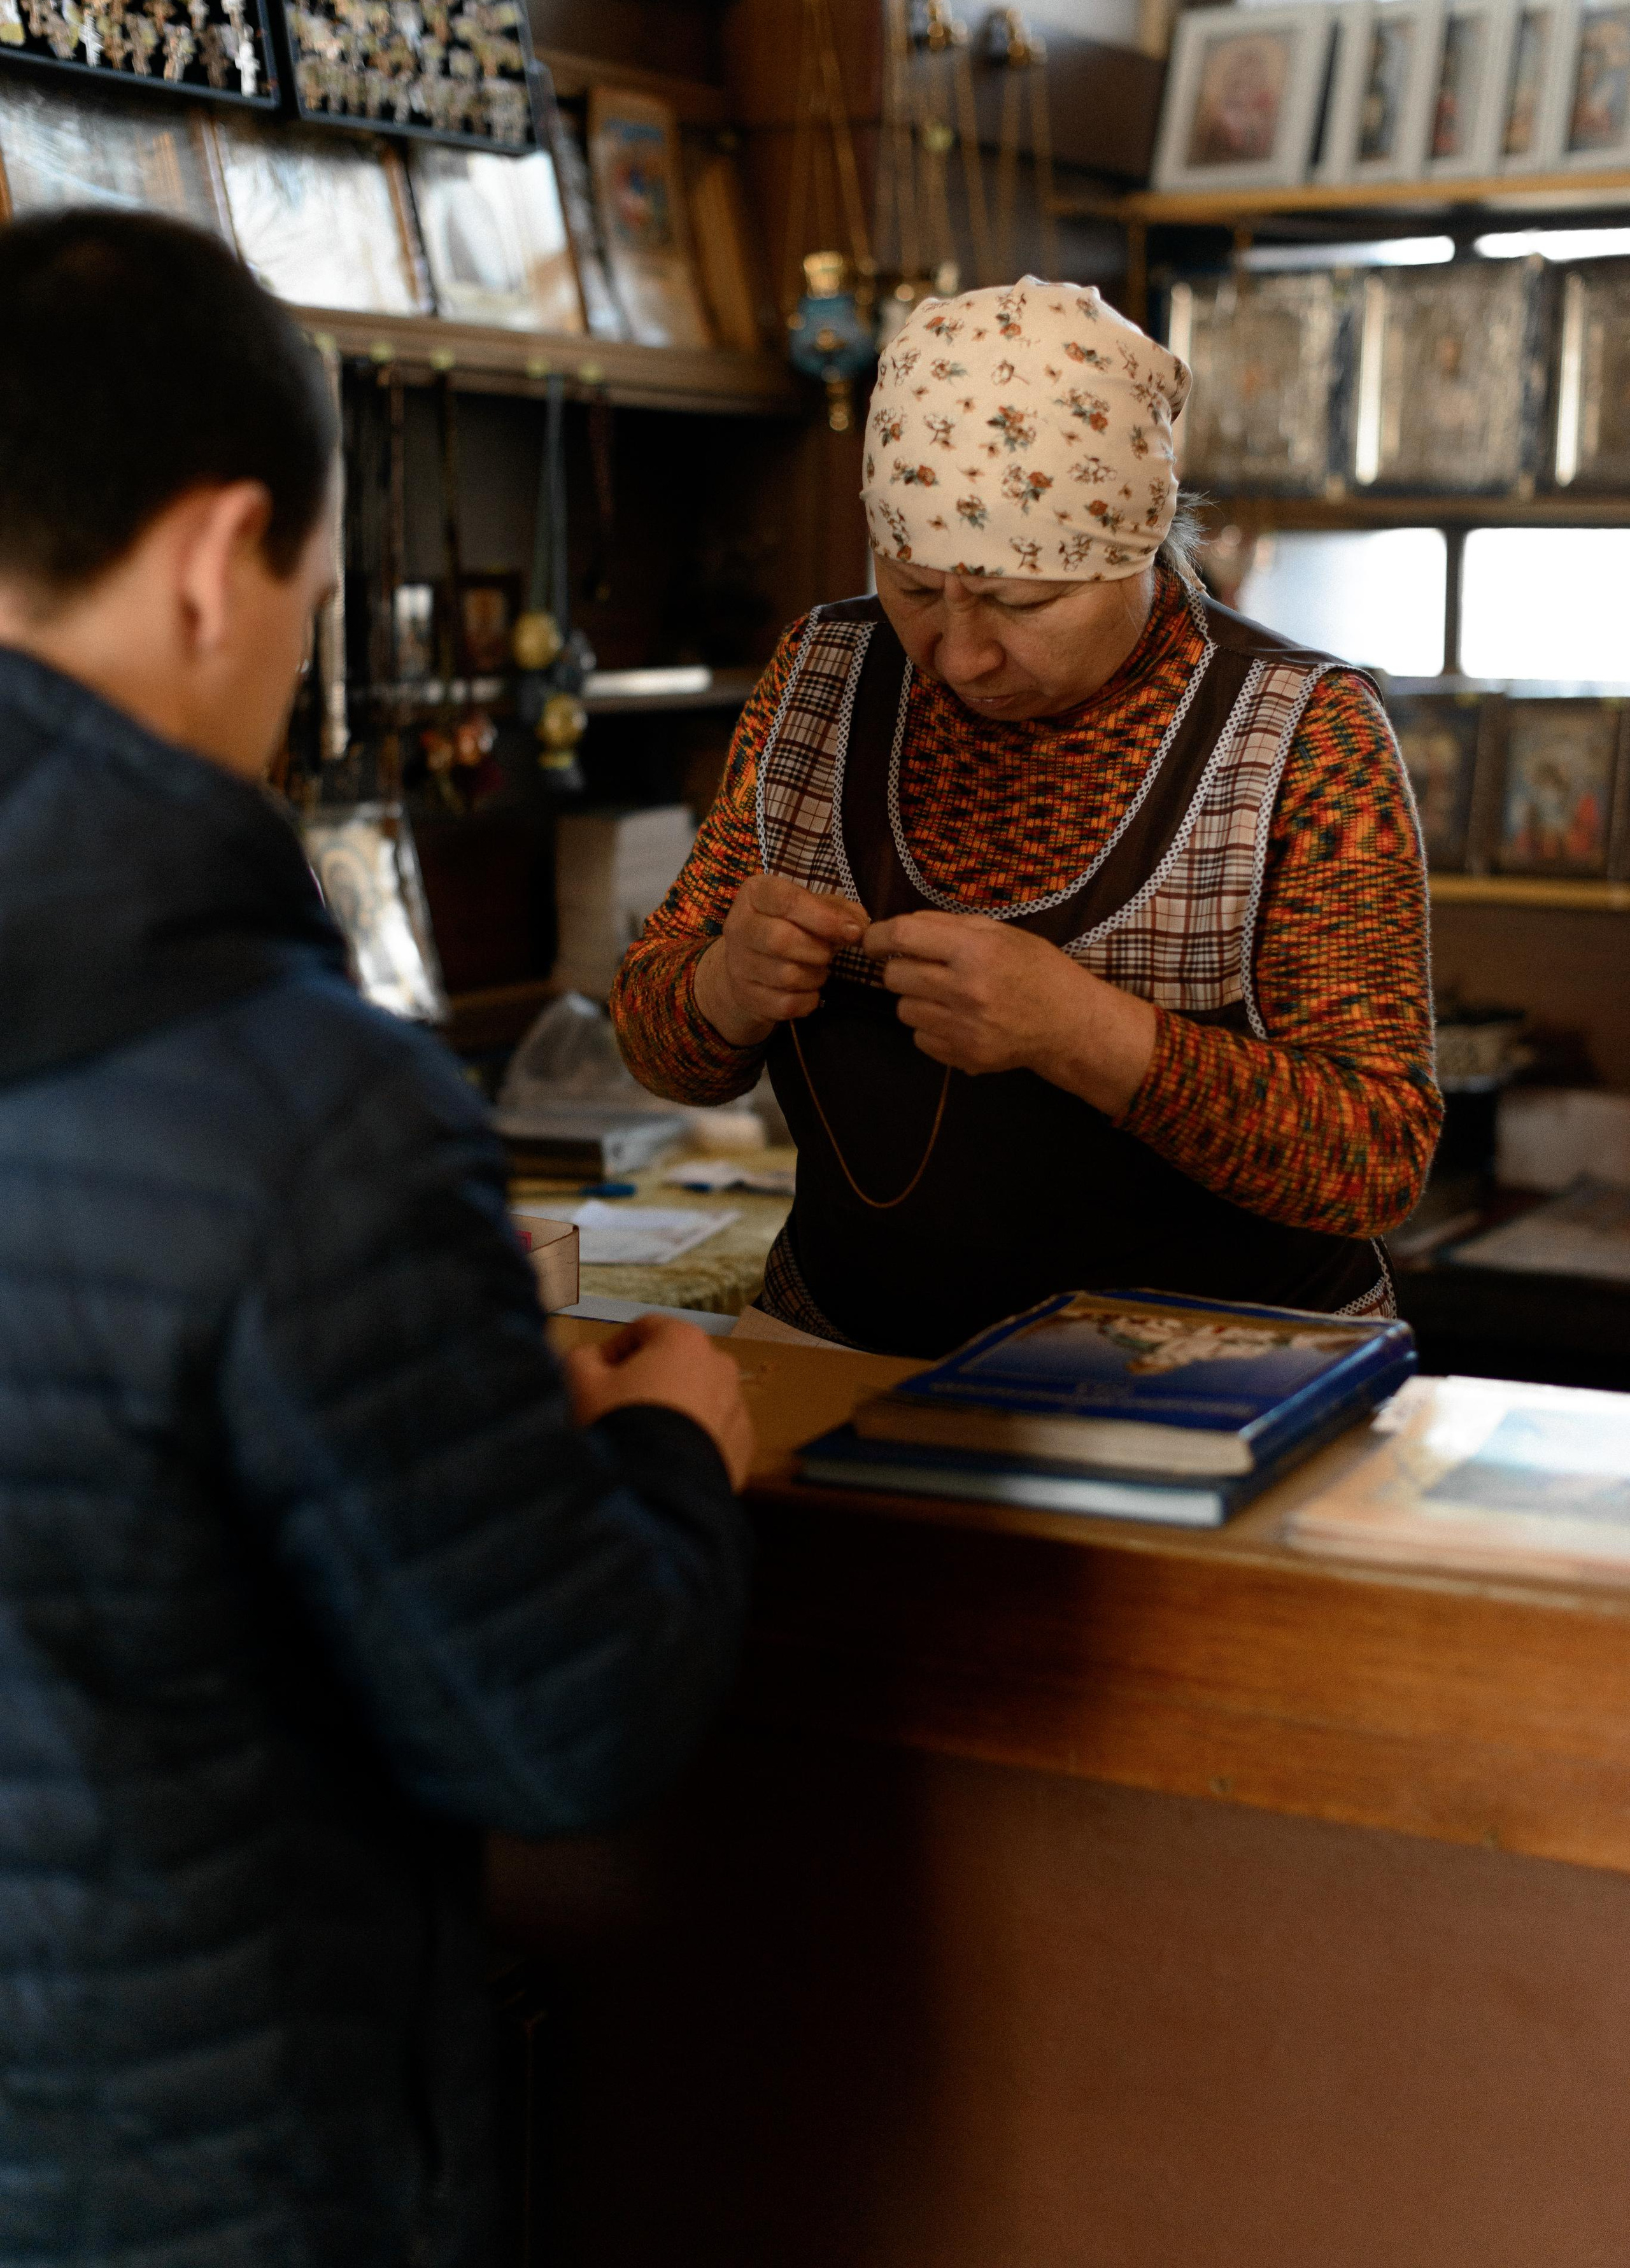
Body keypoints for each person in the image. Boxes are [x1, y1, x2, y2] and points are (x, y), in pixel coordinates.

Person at [0, 208, 755, 2267]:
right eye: (315, 600)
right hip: (210, 2165)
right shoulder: (302, 1106)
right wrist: (669, 1435)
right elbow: (564, 1718)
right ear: (212, 559)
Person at [613, 276, 1443, 1357]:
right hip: (846, 1356)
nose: (962, 656)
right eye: (914, 588)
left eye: (1022, 602)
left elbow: (1376, 1159)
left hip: (1217, 1390)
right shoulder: (821, 679)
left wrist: (1085, 1033)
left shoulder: (1301, 735)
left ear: (1138, 548)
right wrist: (721, 989)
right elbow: (655, 1041)